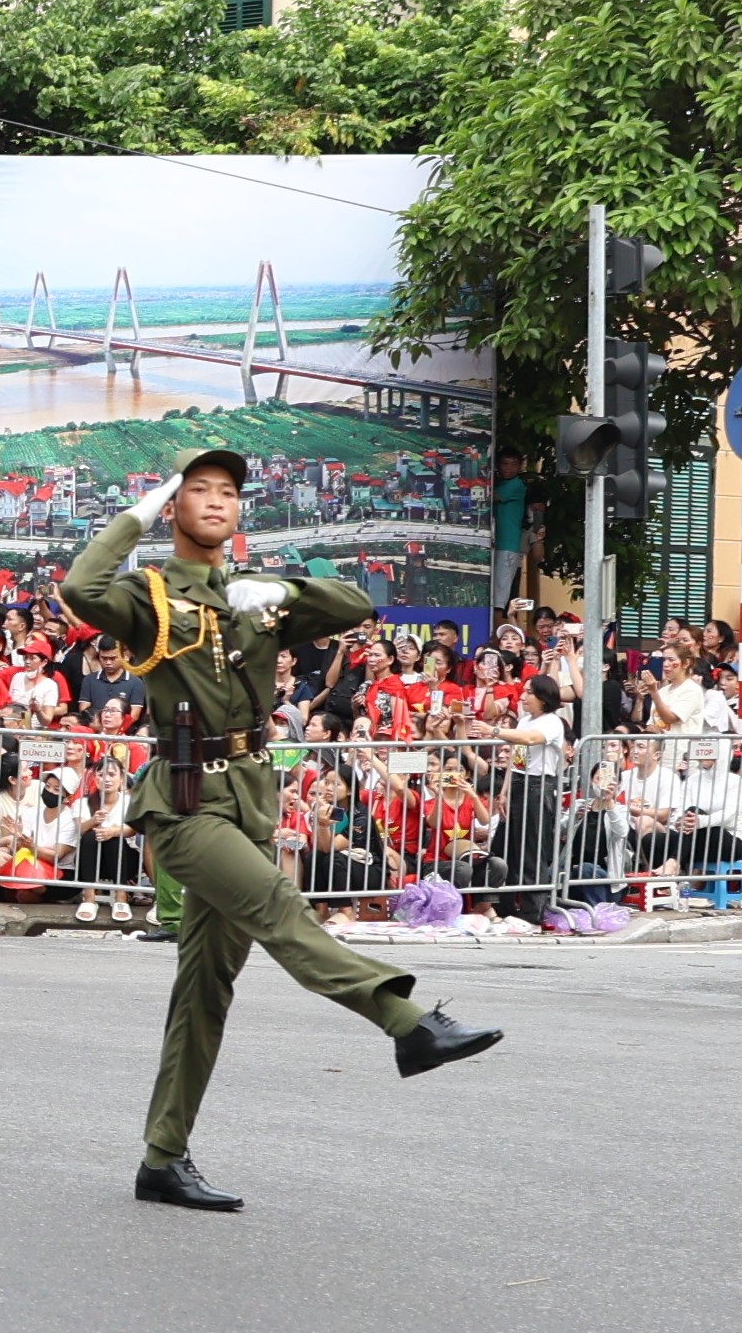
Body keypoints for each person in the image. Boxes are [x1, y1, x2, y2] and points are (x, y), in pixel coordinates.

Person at [58, 450, 499, 1214]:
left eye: (228, 492)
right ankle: (406, 1020)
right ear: (175, 507)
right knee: (277, 904)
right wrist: (138, 513)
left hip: (250, 799)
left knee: (206, 990)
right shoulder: (151, 596)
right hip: (186, 802)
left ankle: (162, 1158)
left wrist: (284, 590)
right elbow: (79, 589)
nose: (215, 501)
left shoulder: (255, 596)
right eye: (198, 490)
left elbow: (355, 605)